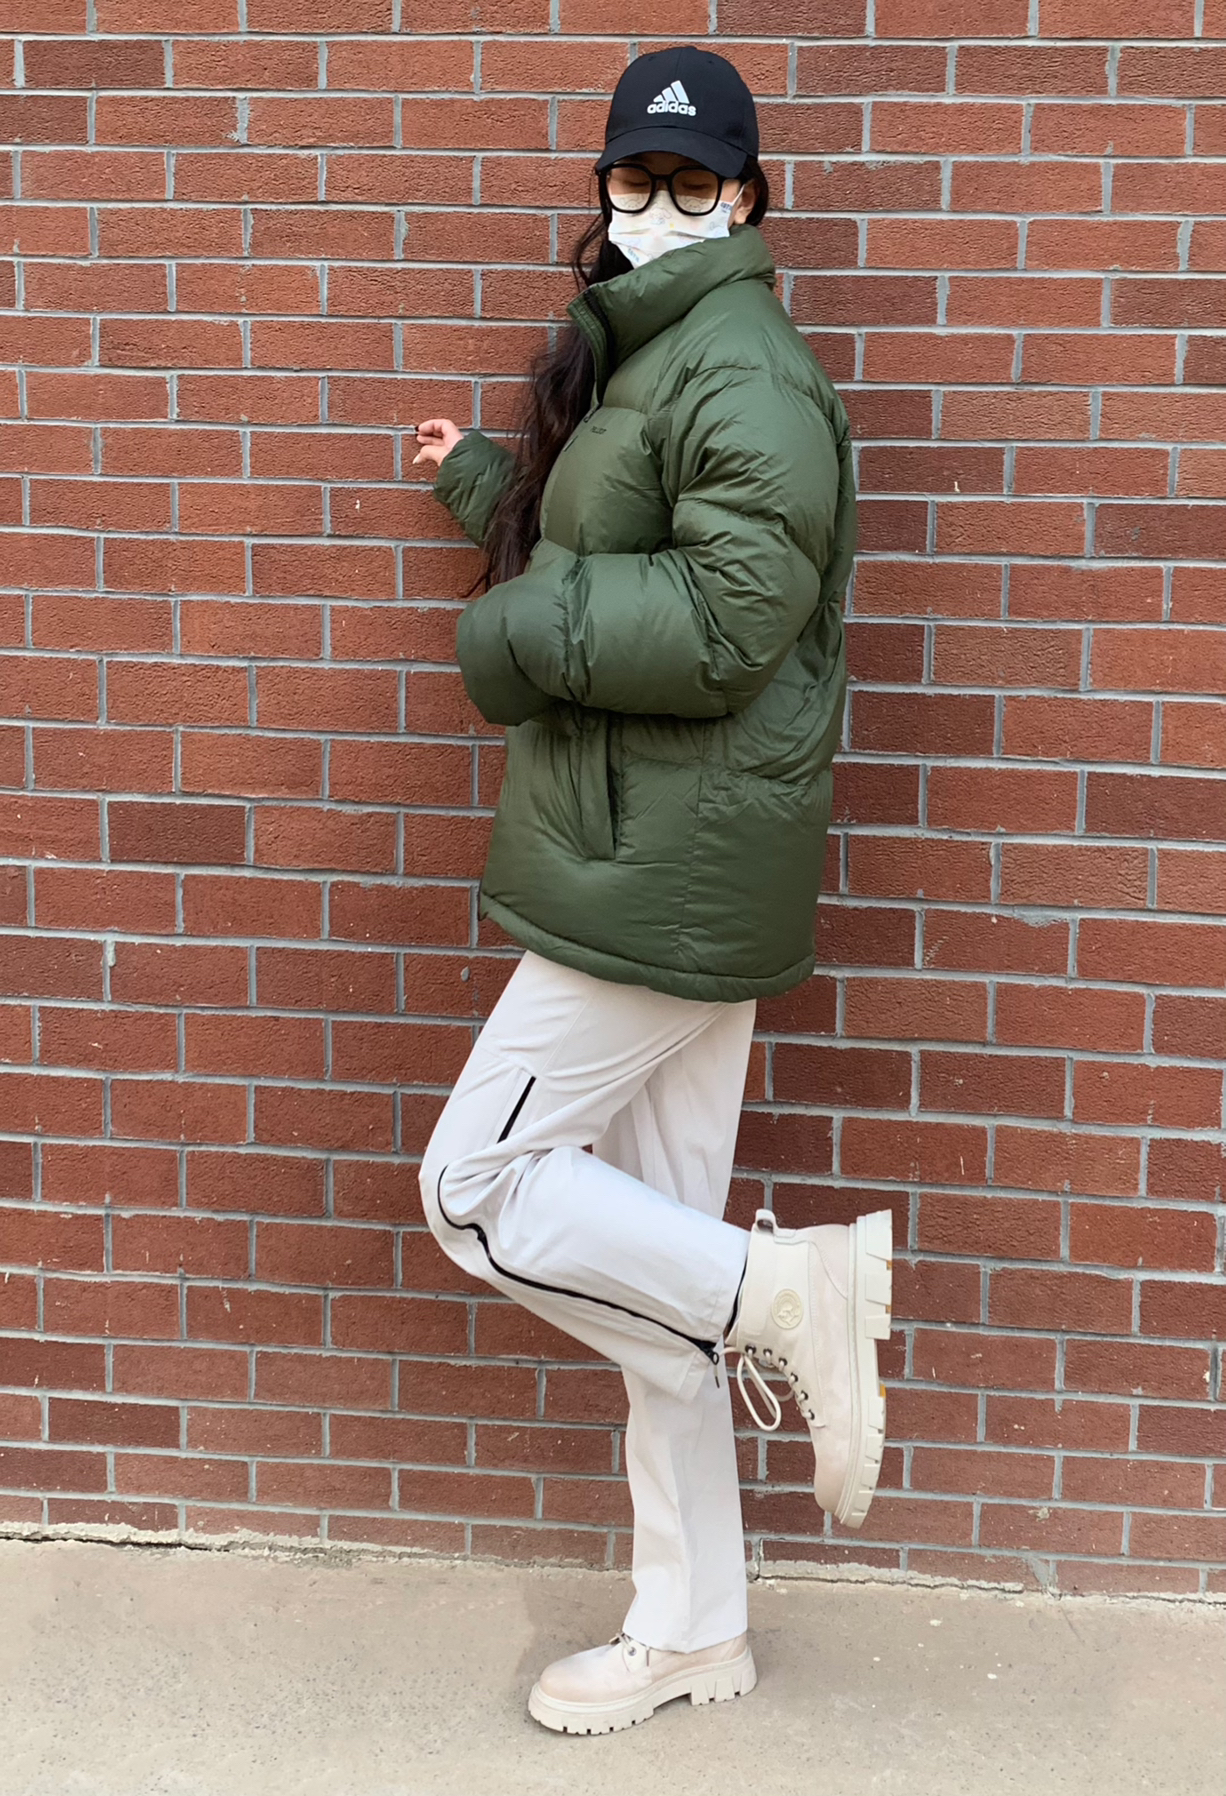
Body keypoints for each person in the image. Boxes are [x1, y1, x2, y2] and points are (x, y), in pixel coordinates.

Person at [411, 43, 891, 1736]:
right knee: (653, 1275)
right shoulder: (661, 351)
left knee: (477, 1189)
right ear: (605, 189)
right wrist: (486, 487)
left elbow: (724, 618)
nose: (663, 203)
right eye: (637, 177)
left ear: (747, 198)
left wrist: (502, 632)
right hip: (671, 858)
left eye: (697, 180)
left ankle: (793, 1297)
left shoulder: (744, 367)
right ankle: (693, 1628)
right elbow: (626, 545)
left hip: (657, 873)